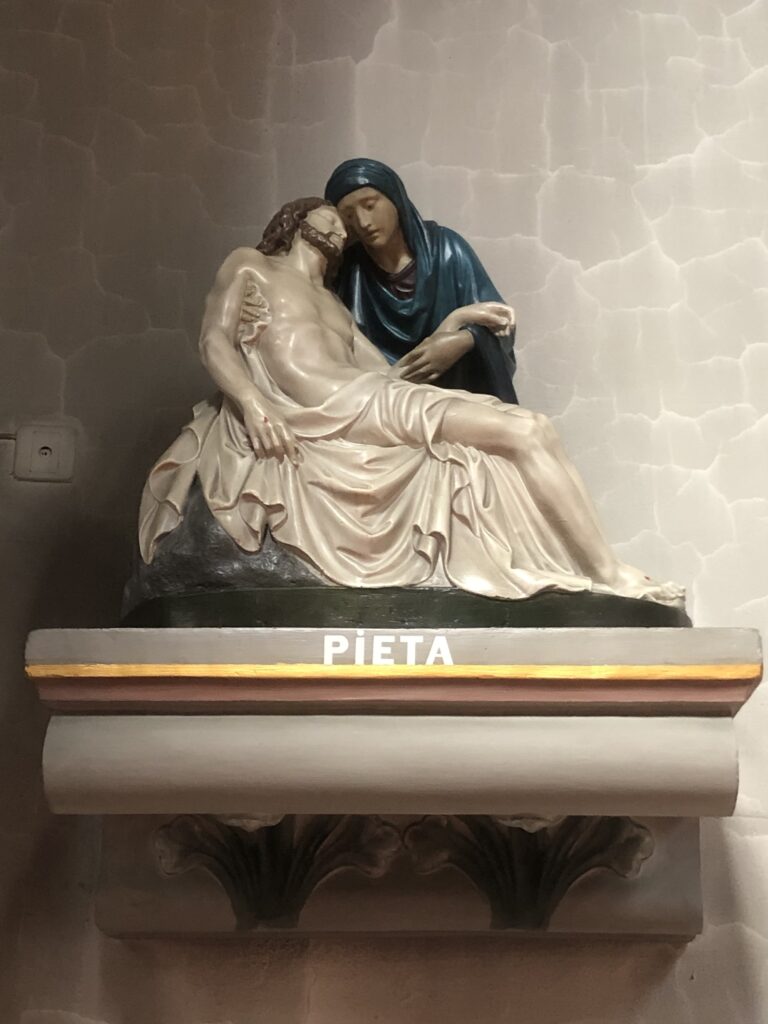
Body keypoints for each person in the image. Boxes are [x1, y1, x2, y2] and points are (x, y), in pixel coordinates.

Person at [139, 197, 682, 607]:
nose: (344, 225)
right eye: (333, 215)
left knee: (529, 427)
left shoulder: (334, 306)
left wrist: (454, 323)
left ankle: (603, 571)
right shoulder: (251, 265)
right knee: (525, 432)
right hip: (327, 408)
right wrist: (253, 404)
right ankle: (608, 574)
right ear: (297, 221)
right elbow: (213, 340)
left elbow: (391, 377)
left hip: (366, 399)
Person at [324, 158, 518, 402]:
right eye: (349, 215)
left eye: (370, 205)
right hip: (386, 399)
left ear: (395, 198)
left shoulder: (447, 251)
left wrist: (463, 341)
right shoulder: (348, 272)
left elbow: (500, 323)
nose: (363, 222)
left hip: (456, 395)